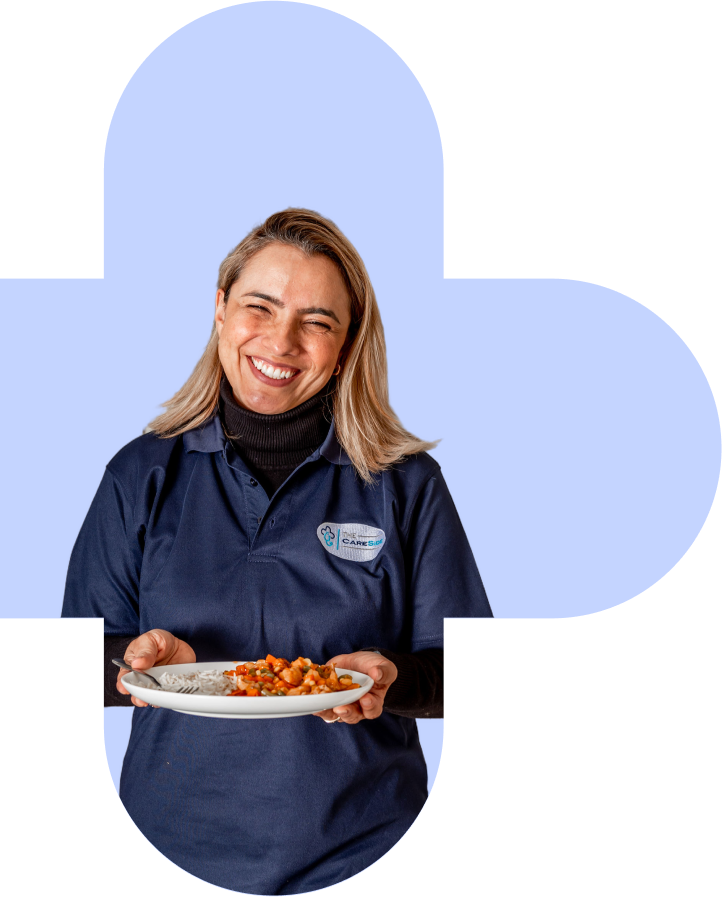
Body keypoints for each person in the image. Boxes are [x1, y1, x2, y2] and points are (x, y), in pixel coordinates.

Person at [63, 208, 492, 892]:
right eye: (258, 306)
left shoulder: (405, 485)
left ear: (348, 343)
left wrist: (388, 679)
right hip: (172, 843)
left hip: (365, 846)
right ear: (220, 308)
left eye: (317, 321)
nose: (281, 339)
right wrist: (141, 662)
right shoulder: (139, 474)